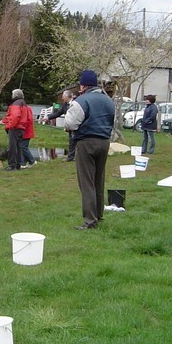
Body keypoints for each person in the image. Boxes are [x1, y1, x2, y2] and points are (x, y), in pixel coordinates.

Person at [64, 70, 114, 230]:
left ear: (83, 85)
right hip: (105, 142)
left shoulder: (81, 101)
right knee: (99, 180)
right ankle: (99, 215)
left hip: (86, 142)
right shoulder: (108, 100)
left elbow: (71, 123)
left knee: (87, 182)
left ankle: (89, 221)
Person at [1, 88, 29, 171]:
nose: (11, 95)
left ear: (15, 95)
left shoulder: (16, 104)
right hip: (21, 128)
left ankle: (12, 165)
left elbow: (15, 116)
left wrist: (10, 126)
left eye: (12, 94)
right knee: (18, 147)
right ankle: (18, 165)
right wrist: (3, 121)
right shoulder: (23, 103)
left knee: (12, 147)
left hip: (15, 128)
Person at [47, 89, 76, 161]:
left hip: (77, 125)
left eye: (63, 96)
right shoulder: (65, 105)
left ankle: (75, 157)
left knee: (76, 141)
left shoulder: (76, 103)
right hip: (70, 126)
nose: (62, 98)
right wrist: (48, 117)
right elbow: (58, 113)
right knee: (71, 141)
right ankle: (70, 157)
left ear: (67, 96)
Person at [19, 103, 36, 168]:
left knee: (24, 147)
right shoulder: (27, 108)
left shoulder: (26, 109)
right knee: (22, 147)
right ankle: (23, 163)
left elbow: (28, 120)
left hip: (26, 131)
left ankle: (32, 160)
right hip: (25, 131)